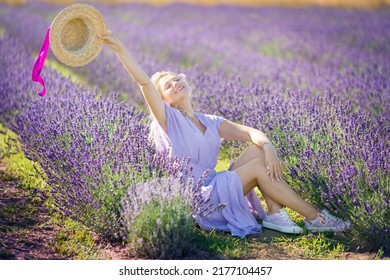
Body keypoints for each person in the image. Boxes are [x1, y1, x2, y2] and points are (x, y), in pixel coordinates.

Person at [98, 31, 350, 237]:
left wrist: (269, 147)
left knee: (258, 148)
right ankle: (316, 218)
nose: (175, 83)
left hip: (216, 185)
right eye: (168, 85)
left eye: (176, 79)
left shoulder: (210, 121)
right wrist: (119, 48)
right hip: (201, 198)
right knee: (258, 169)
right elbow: (143, 82)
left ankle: (275, 213)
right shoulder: (168, 119)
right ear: (163, 99)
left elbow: (252, 133)